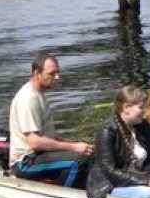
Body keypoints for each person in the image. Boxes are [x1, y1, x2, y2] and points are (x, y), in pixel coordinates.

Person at [9, 52, 94, 187]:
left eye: (58, 73)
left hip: (39, 155)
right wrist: (73, 147)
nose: (57, 77)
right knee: (78, 161)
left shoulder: (39, 95)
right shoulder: (28, 98)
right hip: (25, 162)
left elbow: (45, 134)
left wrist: (73, 142)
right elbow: (35, 142)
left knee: (90, 154)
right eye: (52, 73)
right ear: (37, 74)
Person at [87, 86, 150, 198]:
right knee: (146, 194)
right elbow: (109, 170)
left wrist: (149, 176)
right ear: (126, 107)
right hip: (110, 184)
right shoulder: (108, 130)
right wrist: (145, 180)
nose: (145, 110)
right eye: (141, 107)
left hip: (139, 178)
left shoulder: (143, 125)